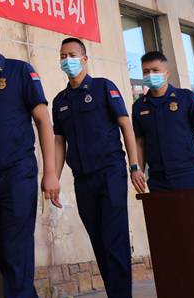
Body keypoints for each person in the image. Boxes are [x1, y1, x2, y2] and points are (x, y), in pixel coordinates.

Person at [0, 10, 60, 298]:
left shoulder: (20, 71)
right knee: (4, 256)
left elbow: (43, 121)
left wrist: (50, 173)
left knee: (17, 252)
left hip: (18, 175)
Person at [52, 37, 145, 298]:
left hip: (110, 173)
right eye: (63, 56)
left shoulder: (104, 87)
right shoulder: (60, 101)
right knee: (99, 240)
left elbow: (126, 126)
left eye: (72, 55)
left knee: (114, 239)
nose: (67, 60)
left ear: (84, 59)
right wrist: (54, 178)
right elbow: (59, 142)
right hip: (83, 179)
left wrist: (134, 166)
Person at [132, 51, 194, 191]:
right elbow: (139, 143)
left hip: (189, 175)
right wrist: (138, 171)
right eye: (146, 72)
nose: (150, 75)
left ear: (167, 73)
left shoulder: (186, 98)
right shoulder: (139, 106)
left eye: (155, 70)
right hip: (158, 180)